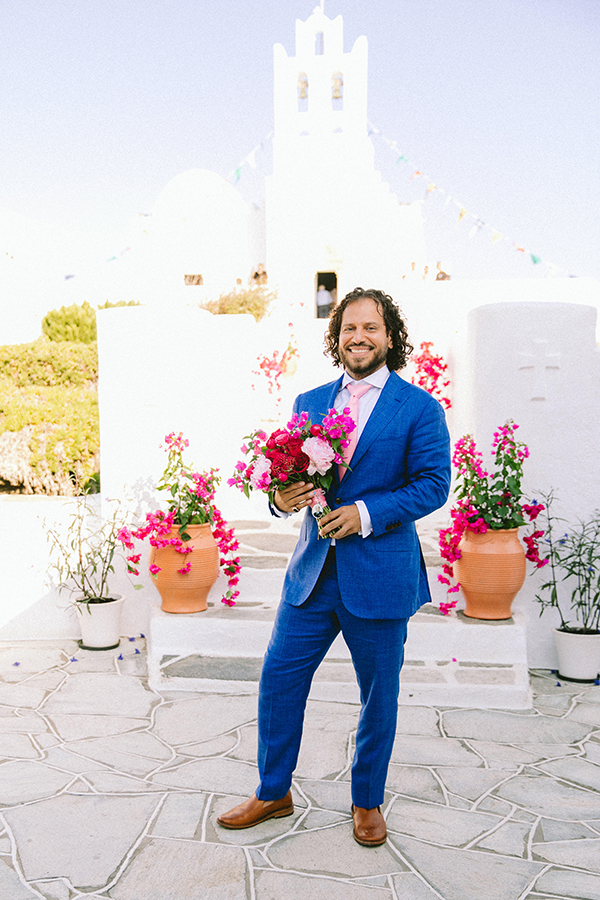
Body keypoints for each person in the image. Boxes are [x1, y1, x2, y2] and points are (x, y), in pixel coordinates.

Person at [217, 287, 451, 846]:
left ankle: (367, 800)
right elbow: (288, 476)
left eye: (371, 327)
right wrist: (281, 498)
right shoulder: (310, 401)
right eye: (349, 327)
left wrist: (365, 513)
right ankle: (273, 791)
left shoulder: (419, 408)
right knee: (279, 680)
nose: (358, 337)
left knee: (378, 695)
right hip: (312, 576)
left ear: (390, 336)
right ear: (336, 336)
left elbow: (434, 485)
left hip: (380, 575)